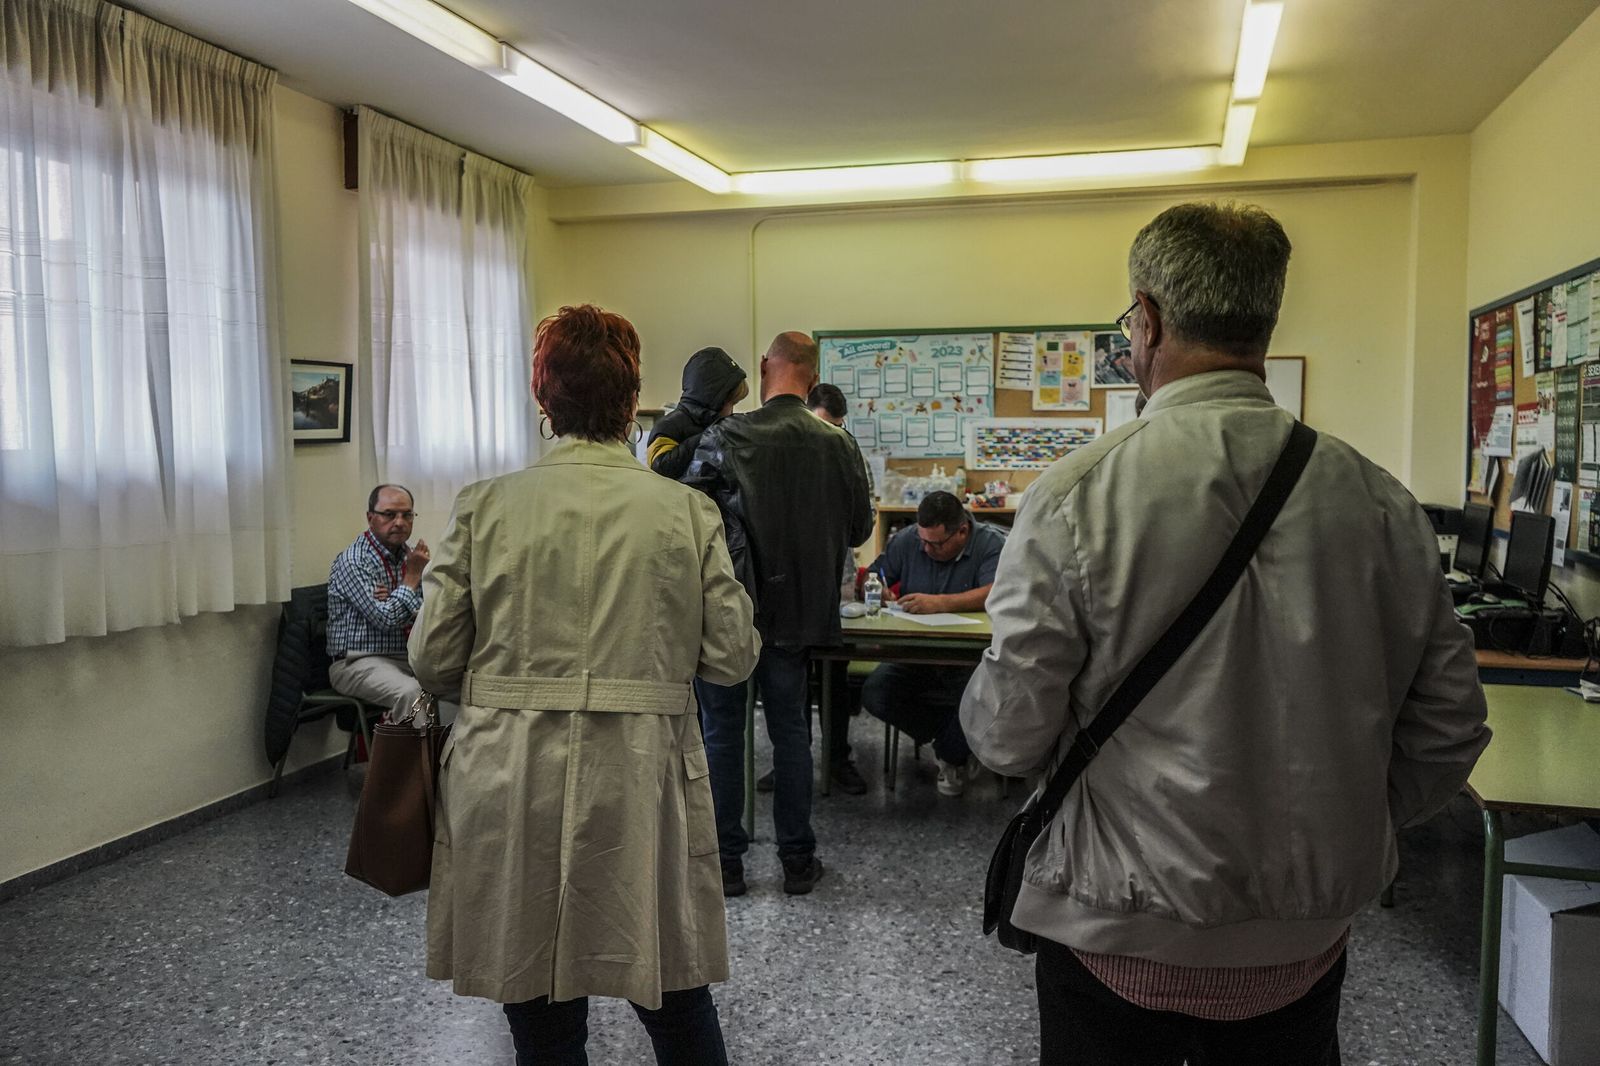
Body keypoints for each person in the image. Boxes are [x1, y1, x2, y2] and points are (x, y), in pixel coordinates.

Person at [960, 202, 1490, 1065]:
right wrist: (1343, 821)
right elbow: (1451, 726)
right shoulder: (1382, 503)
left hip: (1113, 929)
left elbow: (1009, 737)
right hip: (1300, 943)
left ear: (1148, 320)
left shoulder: (1074, 497)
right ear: (1264, 320)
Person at [410, 304, 761, 1065]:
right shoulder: (684, 512)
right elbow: (733, 658)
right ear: (633, 402)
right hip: (641, 773)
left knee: (538, 1009)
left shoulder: (483, 506)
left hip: (508, 773)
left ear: (543, 399)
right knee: (670, 989)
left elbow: (434, 662)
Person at [684, 332, 874, 897]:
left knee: (722, 732)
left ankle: (727, 865)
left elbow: (691, 517)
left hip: (731, 610)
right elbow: (861, 529)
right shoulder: (838, 443)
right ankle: (797, 860)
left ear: (766, 367)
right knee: (792, 731)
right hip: (799, 615)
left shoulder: (725, 435)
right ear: (812, 379)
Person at [754, 381, 873, 796]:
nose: (830, 434)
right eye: (825, 424)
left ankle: (836, 759)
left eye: (838, 426)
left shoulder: (845, 451)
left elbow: (861, 524)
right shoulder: (779, 454)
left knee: (835, 674)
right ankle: (792, 760)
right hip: (785, 584)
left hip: (831, 581)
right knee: (790, 681)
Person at [862, 490, 1005, 797]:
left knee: (985, 698)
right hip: (914, 654)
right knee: (876, 692)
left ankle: (954, 754)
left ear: (962, 531)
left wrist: (942, 603)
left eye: (936, 544)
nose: (926, 549)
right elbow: (876, 573)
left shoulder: (991, 543)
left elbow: (996, 591)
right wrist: (878, 588)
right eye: (923, 541)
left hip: (969, 658)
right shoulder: (909, 540)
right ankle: (952, 748)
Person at [326, 485, 434, 721]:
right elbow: (386, 619)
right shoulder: (354, 561)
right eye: (389, 514)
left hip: (405, 656)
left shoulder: (411, 556)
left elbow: (430, 610)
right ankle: (415, 759)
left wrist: (396, 598)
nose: (399, 522)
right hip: (358, 662)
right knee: (413, 694)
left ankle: (448, 757)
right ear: (370, 518)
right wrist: (412, 579)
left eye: (407, 515)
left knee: (459, 683)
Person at [646, 346, 749, 481]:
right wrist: (711, 436)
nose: (731, 411)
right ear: (714, 399)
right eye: (731, 404)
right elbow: (661, 467)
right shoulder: (667, 426)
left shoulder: (714, 423)